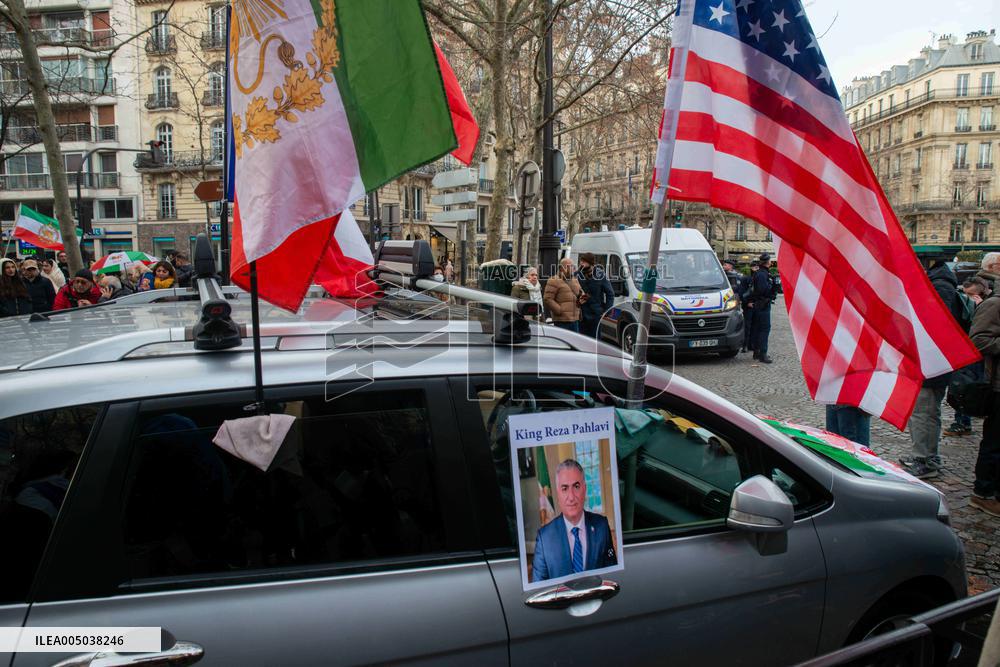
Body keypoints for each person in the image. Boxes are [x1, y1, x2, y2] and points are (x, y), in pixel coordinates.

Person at [901, 260, 961, 478]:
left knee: (923, 413)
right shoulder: (939, 283)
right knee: (926, 412)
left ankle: (924, 460)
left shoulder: (939, 287)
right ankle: (926, 455)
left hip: (931, 364)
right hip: (931, 362)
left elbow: (931, 323)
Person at [531, 459, 618, 582]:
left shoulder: (601, 525)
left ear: (585, 489)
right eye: (565, 488)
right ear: (557, 493)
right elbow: (538, 590)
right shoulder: (544, 538)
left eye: (576, 486)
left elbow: (612, 576)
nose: (571, 497)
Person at [969, 283, 1000, 516]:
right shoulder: (994, 304)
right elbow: (978, 340)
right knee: (994, 442)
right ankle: (983, 492)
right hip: (997, 387)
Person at [576, 252, 614, 339]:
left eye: (584, 262)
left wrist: (606, 311)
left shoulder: (600, 275)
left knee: (595, 341)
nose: (581, 264)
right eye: (581, 261)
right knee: (580, 341)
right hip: (581, 314)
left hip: (596, 315)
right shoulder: (577, 274)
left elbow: (610, 293)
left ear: (591, 263)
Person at [543, 258, 583, 332]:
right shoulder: (554, 280)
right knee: (562, 342)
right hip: (562, 321)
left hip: (575, 319)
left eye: (573, 266)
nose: (573, 268)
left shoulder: (574, 279)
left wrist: (582, 298)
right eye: (570, 266)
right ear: (562, 268)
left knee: (574, 342)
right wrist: (559, 311)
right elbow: (547, 298)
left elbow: (580, 293)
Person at [747, 254, 774, 363]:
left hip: (758, 303)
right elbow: (763, 290)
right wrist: (772, 288)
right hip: (762, 304)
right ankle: (763, 354)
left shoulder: (759, 273)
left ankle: (757, 352)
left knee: (758, 328)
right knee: (764, 329)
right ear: (767, 262)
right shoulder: (762, 274)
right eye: (770, 261)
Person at [739, 261, 758, 353]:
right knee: (747, 326)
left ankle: (752, 344)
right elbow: (742, 292)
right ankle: (745, 345)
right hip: (748, 305)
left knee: (755, 326)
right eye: (755, 267)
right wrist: (747, 303)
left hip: (757, 305)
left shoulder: (758, 277)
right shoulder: (745, 278)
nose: (756, 269)